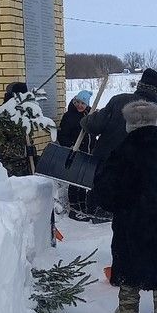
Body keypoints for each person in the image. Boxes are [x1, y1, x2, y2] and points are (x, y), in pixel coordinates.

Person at [92, 100, 157, 313]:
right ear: (155, 122)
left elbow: (106, 190)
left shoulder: (122, 151)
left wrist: (115, 204)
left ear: (130, 125)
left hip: (131, 222)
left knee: (129, 266)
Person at [80, 68, 157, 222]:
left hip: (104, 175)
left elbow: (94, 125)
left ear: (139, 85)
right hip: (136, 185)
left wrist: (86, 120)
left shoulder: (118, 101)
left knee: (96, 223)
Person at [57, 90, 95, 221]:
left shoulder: (89, 115)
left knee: (83, 182)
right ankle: (74, 209)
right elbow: (62, 135)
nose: (79, 105)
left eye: (83, 103)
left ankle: (83, 207)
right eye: (77, 102)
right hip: (75, 152)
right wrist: (71, 145)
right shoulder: (69, 116)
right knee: (74, 181)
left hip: (87, 153)